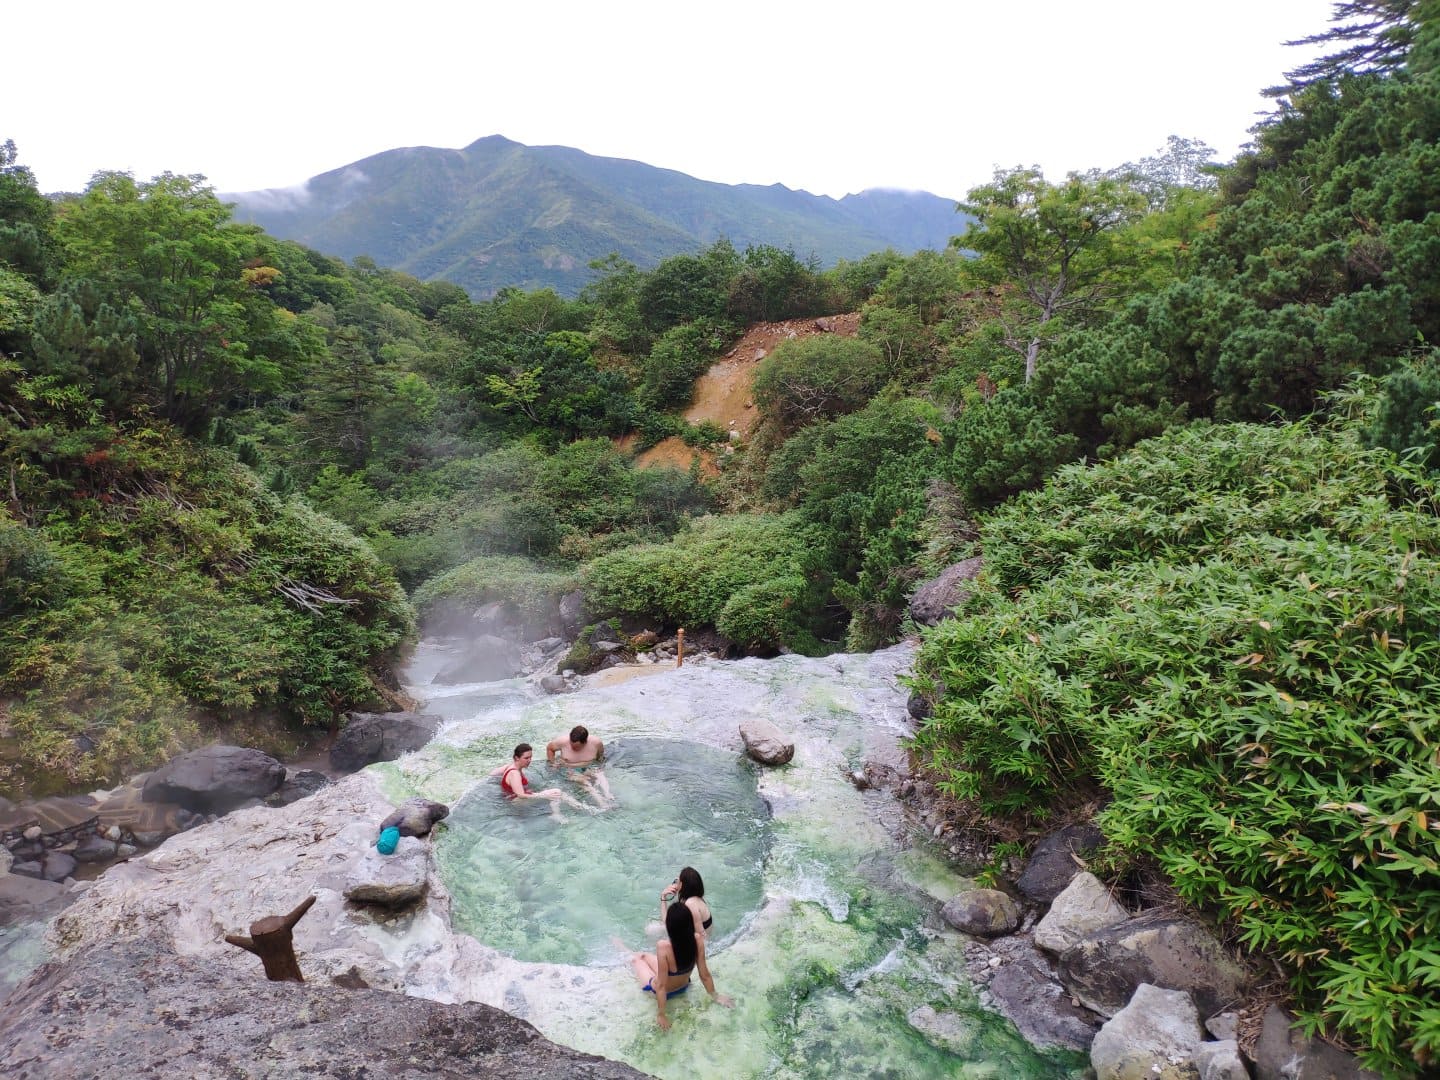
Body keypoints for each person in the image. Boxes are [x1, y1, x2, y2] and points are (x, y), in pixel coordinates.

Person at [630, 902, 732, 1030]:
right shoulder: (697, 940)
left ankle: (625, 950)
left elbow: (661, 986)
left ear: (670, 927)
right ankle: (631, 952)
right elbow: (704, 974)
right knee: (644, 956)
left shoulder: (663, 946)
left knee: (636, 959)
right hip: (684, 986)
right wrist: (715, 996)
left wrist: (661, 1014)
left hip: (658, 989)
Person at [495, 743, 580, 820]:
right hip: (516, 802)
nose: (529, 760)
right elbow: (520, 795)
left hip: (512, 799)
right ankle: (557, 814)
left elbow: (493, 773)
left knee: (559, 794)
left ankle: (578, 807)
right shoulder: (515, 773)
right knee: (556, 792)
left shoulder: (509, 766)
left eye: (530, 757)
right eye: (526, 758)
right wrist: (542, 796)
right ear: (517, 758)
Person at [545, 725, 613, 806]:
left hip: (588, 765)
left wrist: (600, 767)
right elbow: (550, 748)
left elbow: (600, 758)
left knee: (600, 775)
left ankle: (608, 795)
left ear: (585, 742)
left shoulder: (596, 743)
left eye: (577, 746)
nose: (573, 748)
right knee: (585, 782)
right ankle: (602, 804)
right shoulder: (562, 741)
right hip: (569, 768)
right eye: (571, 744)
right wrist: (552, 763)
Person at [660, 866, 713, 938]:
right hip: (693, 934)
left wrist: (663, 896)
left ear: (682, 885)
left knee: (652, 929)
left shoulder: (691, 904)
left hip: (698, 942)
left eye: (677, 881)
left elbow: (702, 937)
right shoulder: (695, 898)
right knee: (654, 928)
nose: (675, 882)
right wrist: (663, 896)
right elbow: (668, 922)